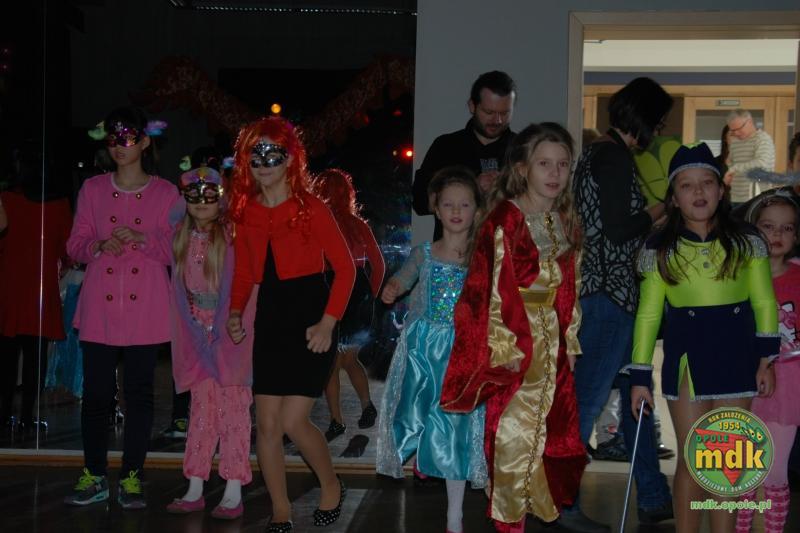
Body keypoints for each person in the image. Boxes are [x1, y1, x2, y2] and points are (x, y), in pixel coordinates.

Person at [442, 123, 600, 533]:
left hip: (552, 339)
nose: (555, 173)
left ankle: (529, 513)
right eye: (544, 163)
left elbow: (570, 287)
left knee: (546, 433)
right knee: (512, 434)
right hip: (517, 340)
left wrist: (570, 342)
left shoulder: (564, 219)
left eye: (562, 164)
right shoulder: (506, 219)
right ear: (522, 168)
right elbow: (490, 288)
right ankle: (508, 523)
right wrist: (505, 349)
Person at [630, 143, 778, 533]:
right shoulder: (659, 248)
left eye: (706, 183)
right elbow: (648, 315)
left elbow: (764, 301)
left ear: (721, 190)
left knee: (726, 461)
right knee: (693, 458)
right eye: (686, 185)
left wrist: (766, 358)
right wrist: (640, 376)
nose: (698, 192)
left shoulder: (747, 240)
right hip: (687, 361)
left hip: (738, 357)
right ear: (673, 198)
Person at [225, 116, 355, 532]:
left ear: (290, 159)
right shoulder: (244, 212)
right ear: (245, 161)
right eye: (255, 154)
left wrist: (327, 323)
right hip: (271, 320)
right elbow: (244, 273)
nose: (264, 163)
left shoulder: (310, 208)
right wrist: (234, 313)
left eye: (273, 153)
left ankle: (331, 484)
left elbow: (346, 269)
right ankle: (280, 509)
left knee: (292, 421)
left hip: (312, 319)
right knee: (266, 423)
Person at [63, 106, 182, 509]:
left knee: (139, 395)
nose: (119, 145)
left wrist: (145, 240)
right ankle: (94, 474)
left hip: (145, 306)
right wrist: (97, 245)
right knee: (96, 395)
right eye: (113, 137)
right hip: (100, 305)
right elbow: (75, 243)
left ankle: (132, 476)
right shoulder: (92, 189)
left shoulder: (166, 193)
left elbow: (178, 248)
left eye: (128, 137)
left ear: (145, 141)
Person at [572, 76, 673, 526]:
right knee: (587, 405)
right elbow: (617, 230)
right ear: (643, 116)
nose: (660, 129)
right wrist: (661, 208)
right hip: (609, 297)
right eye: (659, 120)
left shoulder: (603, 153)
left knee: (636, 400)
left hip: (609, 297)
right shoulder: (611, 156)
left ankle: (652, 495)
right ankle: (561, 503)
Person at [377, 166, 486, 533]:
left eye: (465, 204)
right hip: (425, 351)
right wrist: (394, 287)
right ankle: (422, 458)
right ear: (436, 209)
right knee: (416, 412)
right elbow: (405, 276)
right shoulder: (424, 253)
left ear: (476, 210)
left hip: (462, 352)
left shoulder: (481, 257)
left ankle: (454, 512)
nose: (456, 211)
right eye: (448, 204)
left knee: (456, 425)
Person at [165, 167, 256, 519]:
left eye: (209, 196)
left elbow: (244, 284)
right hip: (195, 336)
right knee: (201, 412)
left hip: (229, 336)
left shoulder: (232, 236)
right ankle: (194, 485)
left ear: (221, 199)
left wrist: (230, 324)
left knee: (234, 411)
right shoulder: (179, 238)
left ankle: (233, 489)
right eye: (193, 196)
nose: (201, 202)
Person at [734, 190, 800, 533]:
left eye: (787, 228)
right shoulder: (738, 277)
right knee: (741, 469)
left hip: (789, 386)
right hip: (743, 381)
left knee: (774, 471)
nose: (777, 234)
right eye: (768, 226)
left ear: (796, 235)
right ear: (753, 230)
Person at [0, 142, 73, 428]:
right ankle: (28, 415)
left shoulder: (7, 199)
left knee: (7, 358)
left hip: (9, 288)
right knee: (35, 359)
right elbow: (67, 250)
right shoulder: (59, 204)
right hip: (41, 290)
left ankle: (4, 413)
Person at [312, 168, 385, 441]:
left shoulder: (320, 225)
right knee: (350, 358)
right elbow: (378, 265)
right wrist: (371, 296)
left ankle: (336, 421)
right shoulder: (358, 225)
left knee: (331, 363)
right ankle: (366, 406)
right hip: (359, 291)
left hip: (331, 289)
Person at [413, 71, 516, 240]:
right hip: (454, 253)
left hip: (511, 253)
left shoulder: (524, 150)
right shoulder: (445, 146)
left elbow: (541, 209)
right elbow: (420, 203)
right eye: (489, 112)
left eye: (505, 113)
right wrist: (471, 188)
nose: (497, 120)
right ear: (472, 106)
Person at [725, 109, 776, 206]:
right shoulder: (735, 142)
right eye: (733, 130)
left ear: (750, 121)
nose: (737, 133)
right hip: (736, 197)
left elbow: (762, 164)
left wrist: (734, 168)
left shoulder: (763, 139)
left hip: (758, 197)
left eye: (739, 128)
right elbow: (731, 164)